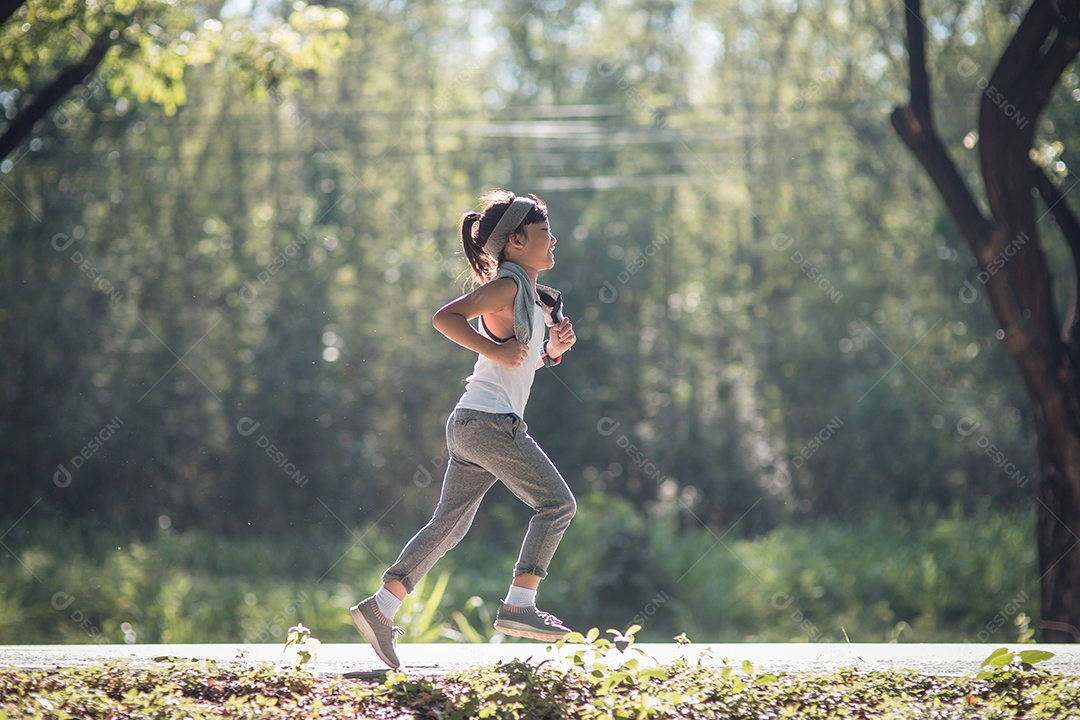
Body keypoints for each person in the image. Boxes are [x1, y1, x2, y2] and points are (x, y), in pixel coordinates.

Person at [350, 189, 578, 669]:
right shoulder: (509, 286)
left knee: (448, 526)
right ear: (515, 241)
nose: (553, 239)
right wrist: (493, 350)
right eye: (544, 232)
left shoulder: (533, 298)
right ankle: (519, 604)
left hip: (474, 422)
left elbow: (521, 363)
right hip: (490, 423)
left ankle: (380, 607)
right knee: (557, 504)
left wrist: (552, 349)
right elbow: (445, 318)